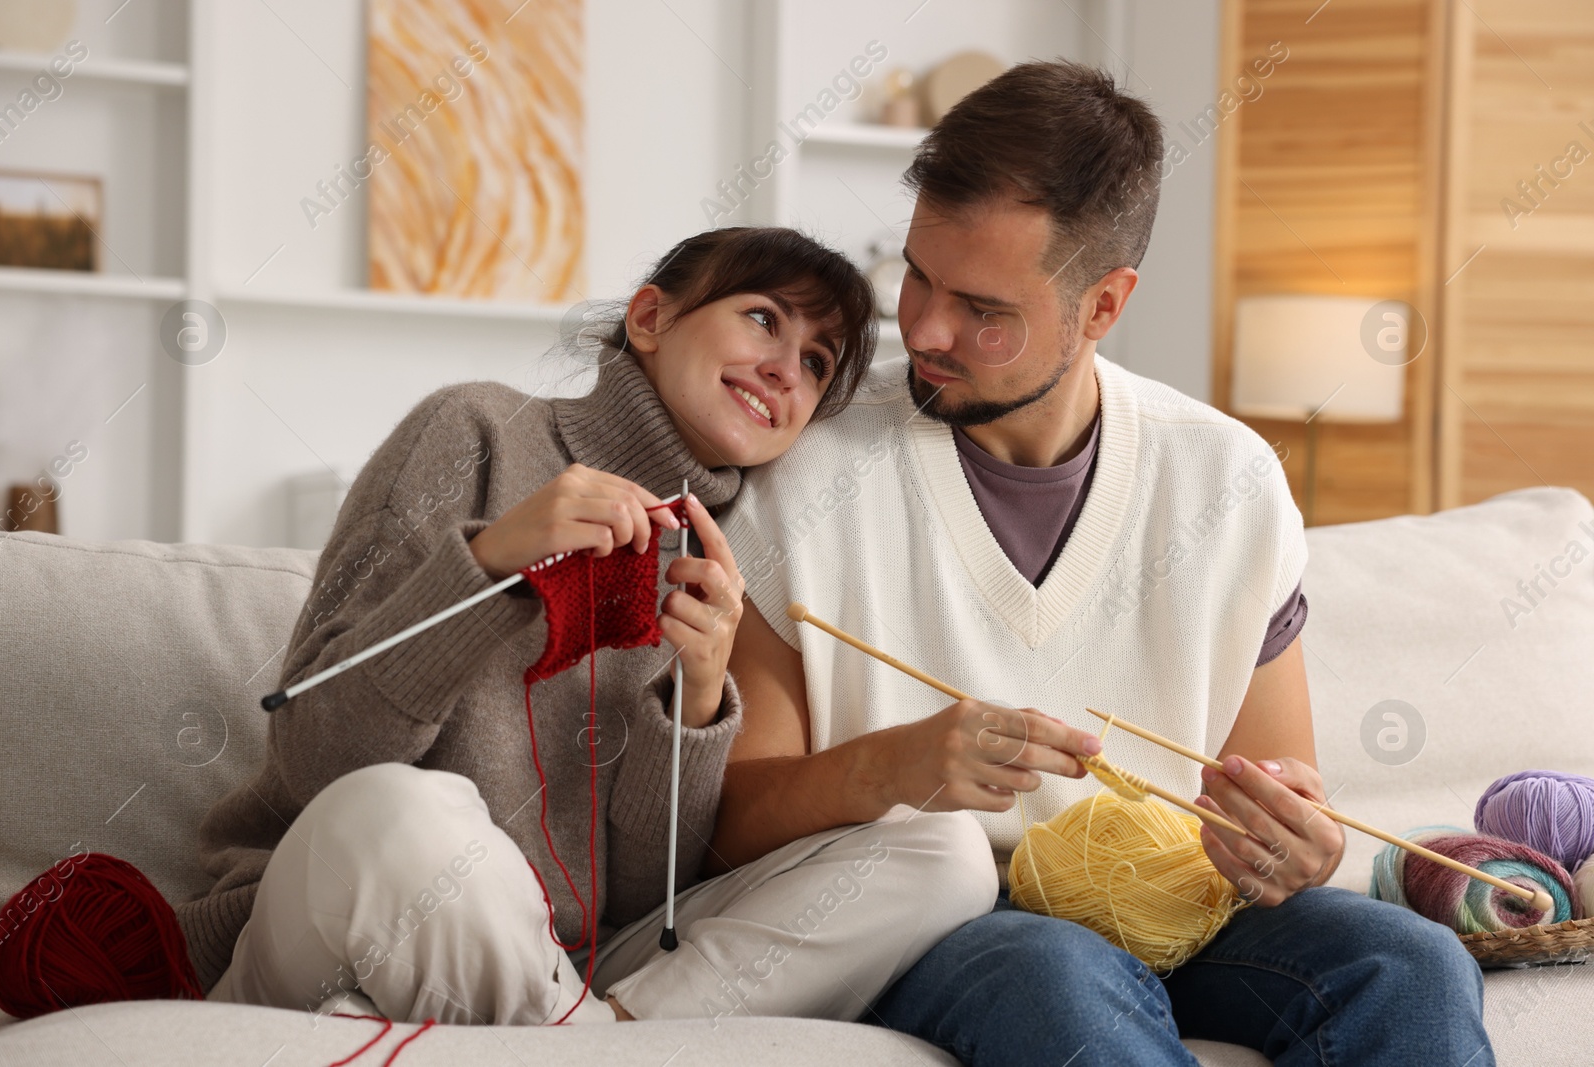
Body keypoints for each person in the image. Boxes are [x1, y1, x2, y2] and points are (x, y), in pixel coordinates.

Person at [716, 62, 1494, 1066]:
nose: (923, 330)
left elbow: (1281, 821)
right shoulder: (805, 464)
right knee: (1061, 980)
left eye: (984, 310)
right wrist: (897, 765)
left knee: (1412, 963)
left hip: (1181, 909)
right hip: (944, 917)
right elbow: (729, 828)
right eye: (915, 276)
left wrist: (1297, 847)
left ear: (1103, 306)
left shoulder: (1227, 479)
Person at [176, 226, 997, 1028]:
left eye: (817, 362)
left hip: (574, 965)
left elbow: (642, 895)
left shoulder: (725, 547)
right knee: (405, 813)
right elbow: (321, 756)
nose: (786, 367)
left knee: (946, 853)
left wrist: (698, 696)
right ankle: (596, 1046)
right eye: (762, 318)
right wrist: (492, 564)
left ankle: (585, 1038)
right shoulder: (475, 433)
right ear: (649, 319)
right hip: (344, 899)